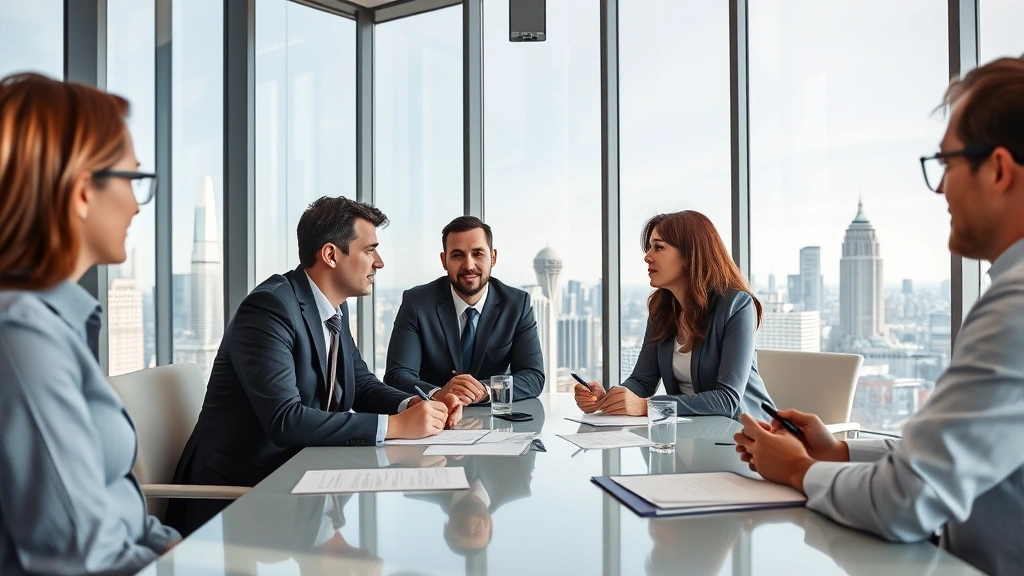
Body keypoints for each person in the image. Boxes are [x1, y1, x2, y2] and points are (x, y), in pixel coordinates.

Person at [733, 56, 1024, 576]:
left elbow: (906, 500)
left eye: (948, 164)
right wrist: (840, 451)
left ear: (999, 169)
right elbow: (949, 458)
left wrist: (799, 470)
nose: (939, 190)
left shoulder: (1015, 309)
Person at [166, 197, 463, 535]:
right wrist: (394, 427)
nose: (379, 262)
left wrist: (416, 404)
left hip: (300, 484)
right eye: (369, 250)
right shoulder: (269, 308)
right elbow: (284, 420)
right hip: (242, 498)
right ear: (331, 255)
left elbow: (361, 384)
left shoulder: (334, 308)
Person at [0, 73, 178, 574]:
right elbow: (84, 558)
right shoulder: (21, 336)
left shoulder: (56, 322)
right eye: (134, 180)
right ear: (82, 191)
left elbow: (120, 509)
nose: (135, 206)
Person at [574, 211, 775, 420]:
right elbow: (642, 381)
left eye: (659, 247)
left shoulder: (737, 305)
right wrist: (609, 398)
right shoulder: (661, 309)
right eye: (649, 247)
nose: (647, 256)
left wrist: (647, 406)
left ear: (690, 256)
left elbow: (727, 400)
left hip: (745, 436)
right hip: (692, 435)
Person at [385, 216, 544, 405]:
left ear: (493, 257)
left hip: (497, 423)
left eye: (478, 254)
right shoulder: (417, 302)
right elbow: (397, 375)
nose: (469, 265)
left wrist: (484, 391)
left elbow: (533, 376)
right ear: (444, 260)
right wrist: (438, 393)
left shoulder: (517, 304)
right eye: (458, 255)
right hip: (434, 418)